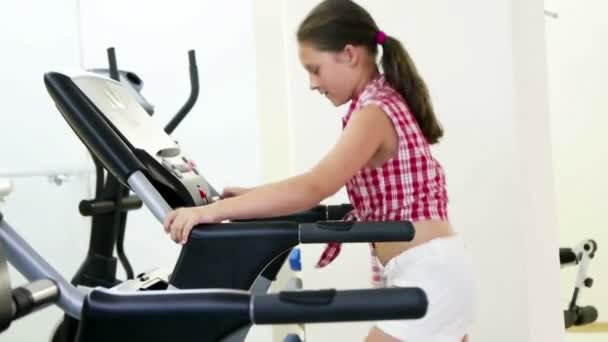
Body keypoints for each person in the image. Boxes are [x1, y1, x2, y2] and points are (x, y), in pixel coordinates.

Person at [164, 0, 474, 340]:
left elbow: (315, 185)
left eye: (315, 69)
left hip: (427, 272)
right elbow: (313, 183)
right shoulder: (379, 101)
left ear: (349, 54)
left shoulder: (374, 112)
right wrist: (252, 197)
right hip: (433, 268)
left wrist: (211, 212)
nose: (312, 83)